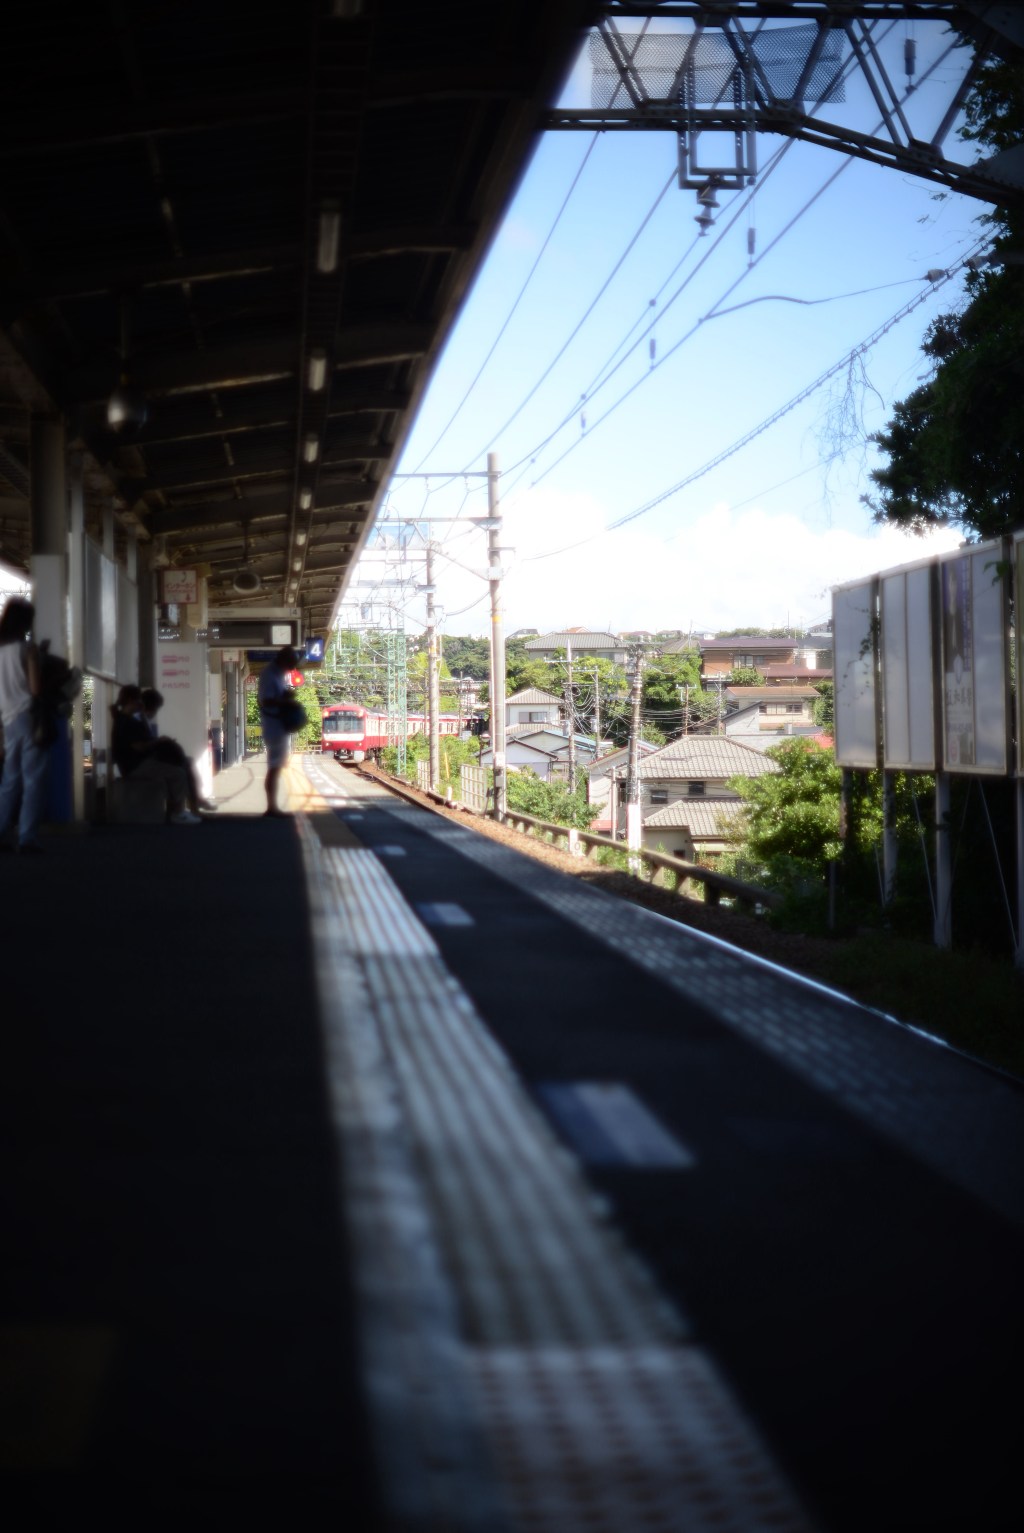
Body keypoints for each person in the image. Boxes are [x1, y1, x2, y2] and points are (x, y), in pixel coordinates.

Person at [110, 685, 201, 825]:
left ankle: (183, 808)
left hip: (133, 764)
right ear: (131, 700)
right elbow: (139, 747)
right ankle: (178, 812)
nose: (140, 704)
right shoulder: (126, 721)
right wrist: (159, 741)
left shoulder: (123, 719)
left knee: (179, 765)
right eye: (138, 701)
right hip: (135, 766)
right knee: (178, 773)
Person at [0, 597, 46, 853]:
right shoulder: (27, 649)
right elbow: (36, 689)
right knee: (33, 780)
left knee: (9, 780)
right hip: (28, 716)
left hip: (7, 720)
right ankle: (27, 837)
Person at [141, 687, 217, 812]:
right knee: (181, 767)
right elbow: (142, 745)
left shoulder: (143, 721)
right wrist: (160, 741)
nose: (155, 712)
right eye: (155, 709)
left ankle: (195, 801)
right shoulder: (138, 721)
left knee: (187, 762)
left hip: (148, 758)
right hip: (144, 762)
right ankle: (188, 806)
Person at [257, 645, 299, 817]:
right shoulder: (270, 674)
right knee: (274, 766)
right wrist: (285, 701)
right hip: (274, 725)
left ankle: (272, 806)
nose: (292, 668)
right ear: (284, 660)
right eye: (291, 664)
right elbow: (266, 701)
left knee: (276, 766)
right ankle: (271, 807)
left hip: (278, 725)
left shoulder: (278, 673)